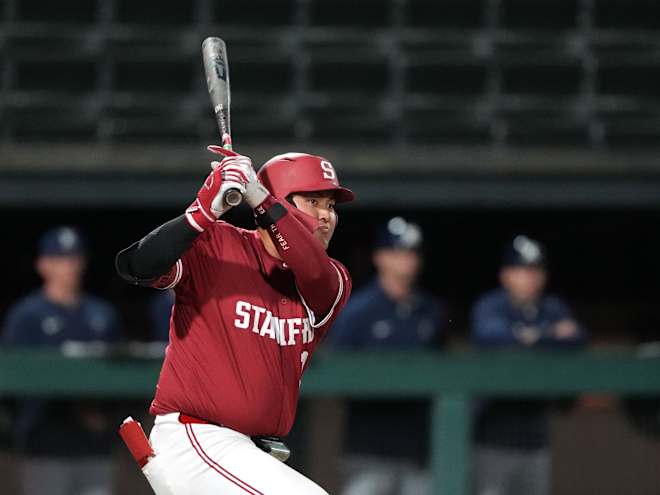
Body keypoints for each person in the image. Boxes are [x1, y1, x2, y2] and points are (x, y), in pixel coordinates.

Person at [115, 146, 354, 494]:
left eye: (330, 206)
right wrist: (199, 214)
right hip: (196, 438)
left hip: (248, 450)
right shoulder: (218, 244)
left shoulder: (333, 277)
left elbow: (311, 268)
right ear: (281, 201)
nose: (326, 215)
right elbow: (136, 266)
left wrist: (258, 196)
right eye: (313, 201)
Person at [326, 217, 446, 495]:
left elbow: (442, 371)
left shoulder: (429, 310)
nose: (407, 260)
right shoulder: (358, 311)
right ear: (380, 257)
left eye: (412, 253)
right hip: (368, 447)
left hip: (417, 450)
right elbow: (335, 374)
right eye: (399, 252)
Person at [2, 226, 121, 495]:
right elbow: (12, 380)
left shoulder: (101, 314)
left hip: (93, 444)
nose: (69, 266)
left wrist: (105, 417)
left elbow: (119, 375)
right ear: (43, 265)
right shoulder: (26, 315)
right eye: (60, 259)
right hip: (44, 445)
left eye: (74, 258)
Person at [470, 235, 587, 495]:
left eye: (535, 270)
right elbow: (492, 337)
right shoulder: (491, 306)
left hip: (536, 439)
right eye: (522, 270)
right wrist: (549, 335)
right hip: (492, 439)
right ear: (506, 275)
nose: (530, 277)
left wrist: (531, 335)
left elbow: (578, 337)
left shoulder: (552, 307)